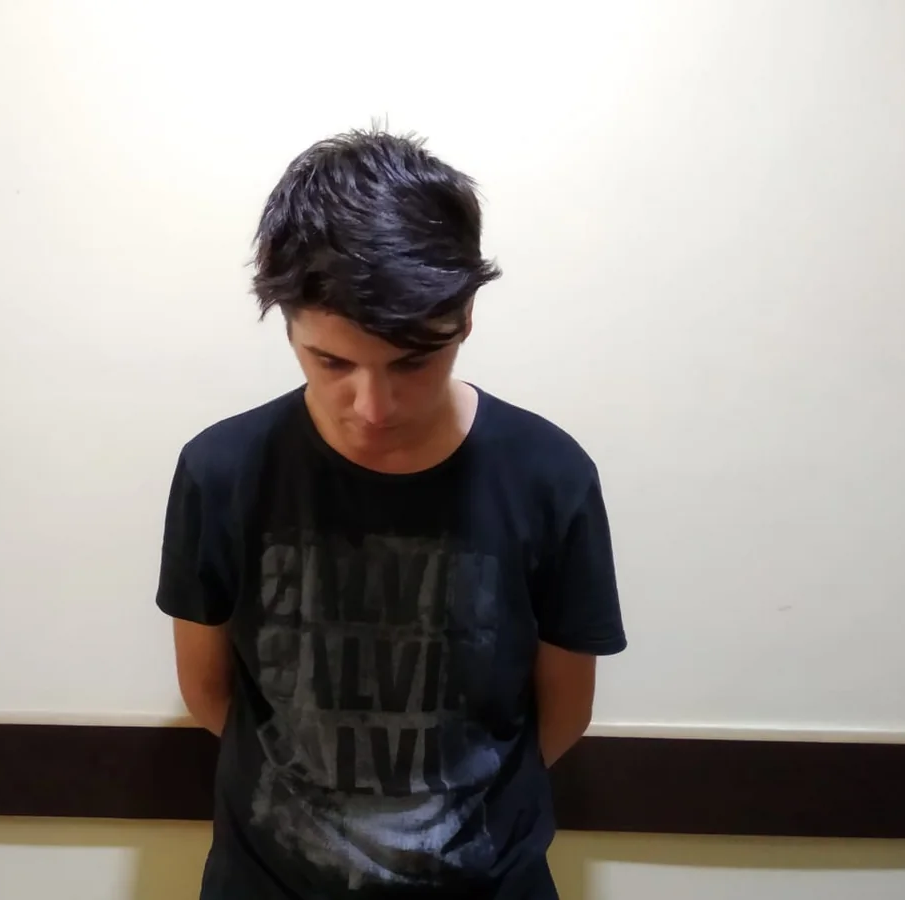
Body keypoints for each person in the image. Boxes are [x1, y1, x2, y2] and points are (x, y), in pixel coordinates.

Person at [156, 127, 627, 899]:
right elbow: (209, 693)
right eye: (332, 362)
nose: (372, 407)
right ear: (287, 322)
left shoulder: (550, 475)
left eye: (414, 361)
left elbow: (564, 712)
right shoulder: (222, 470)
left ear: (465, 315)